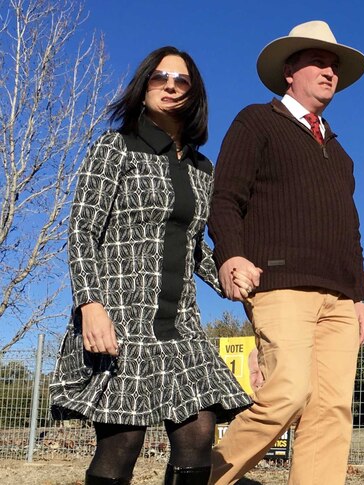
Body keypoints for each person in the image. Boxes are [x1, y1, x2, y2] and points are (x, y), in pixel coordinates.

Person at [49, 46, 261, 485]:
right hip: (119, 318)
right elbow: (83, 230)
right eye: (159, 77)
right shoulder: (116, 147)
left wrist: (228, 275)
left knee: (199, 430)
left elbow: (194, 246)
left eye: (180, 80)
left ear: (193, 93)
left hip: (180, 324)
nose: (169, 85)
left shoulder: (204, 169)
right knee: (122, 443)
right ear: (144, 86)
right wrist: (90, 303)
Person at [207, 20, 364, 485]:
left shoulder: (340, 154)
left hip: (340, 299)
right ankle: (202, 476)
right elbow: (225, 198)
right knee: (287, 392)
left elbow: (351, 229)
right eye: (318, 61)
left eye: (335, 65)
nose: (329, 71)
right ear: (289, 71)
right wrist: (230, 254)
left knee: (330, 412)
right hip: (280, 285)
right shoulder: (257, 121)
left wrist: (360, 296)